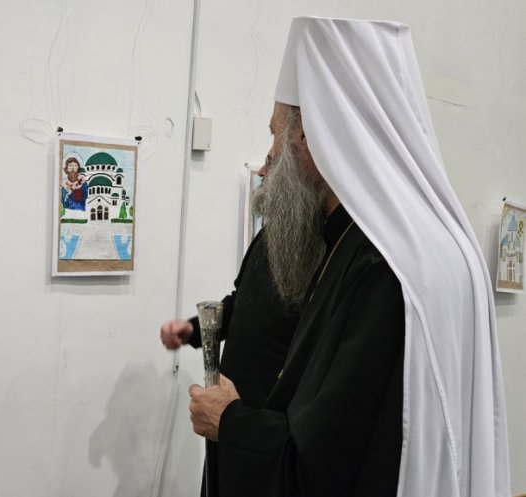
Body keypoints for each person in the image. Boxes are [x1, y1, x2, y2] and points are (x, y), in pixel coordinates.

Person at [186, 16, 510, 497]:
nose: (270, 155)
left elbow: (327, 463)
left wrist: (230, 420)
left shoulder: (380, 267)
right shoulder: (416, 243)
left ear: (311, 137)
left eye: (277, 134)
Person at [160, 229, 301, 497]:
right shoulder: (273, 232)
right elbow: (243, 300)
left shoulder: (324, 246)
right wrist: (193, 329)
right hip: (228, 408)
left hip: (266, 419)